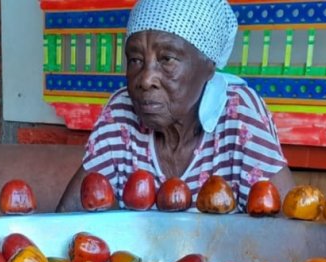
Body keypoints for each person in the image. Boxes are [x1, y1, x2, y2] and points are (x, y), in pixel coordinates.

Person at [57, 0, 294, 212]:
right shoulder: (122, 111)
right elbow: (68, 220)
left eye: (167, 59)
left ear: (208, 66)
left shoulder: (239, 113)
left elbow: (283, 234)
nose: (145, 79)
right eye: (135, 60)